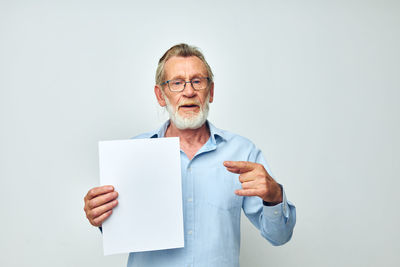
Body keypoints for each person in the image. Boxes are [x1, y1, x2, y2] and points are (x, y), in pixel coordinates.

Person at [84, 43, 296, 267]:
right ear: (160, 95)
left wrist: (274, 197)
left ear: (211, 91)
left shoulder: (243, 152)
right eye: (176, 83)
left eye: (197, 81)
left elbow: (279, 236)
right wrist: (101, 216)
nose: (189, 91)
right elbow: (119, 225)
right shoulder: (133, 153)